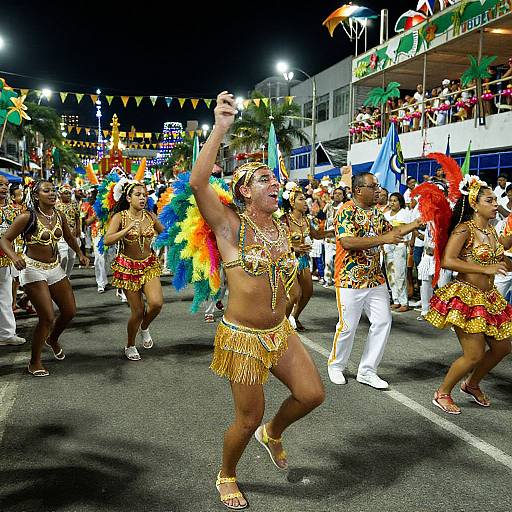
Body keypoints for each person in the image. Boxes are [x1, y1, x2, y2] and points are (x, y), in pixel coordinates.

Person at [190, 91, 324, 510]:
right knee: (247, 417)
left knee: (312, 395)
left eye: (275, 178)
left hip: (279, 332)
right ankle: (226, 474)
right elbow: (197, 182)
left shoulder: (282, 227)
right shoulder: (229, 226)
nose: (276, 183)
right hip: (243, 337)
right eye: (265, 179)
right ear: (245, 191)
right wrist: (221, 127)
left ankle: (274, 432)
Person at [426, 176, 512, 414]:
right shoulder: (464, 229)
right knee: (473, 355)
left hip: (489, 298)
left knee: (502, 348)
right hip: (466, 297)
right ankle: (442, 392)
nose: (496, 204)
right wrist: (485, 268)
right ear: (475, 204)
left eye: (496, 200)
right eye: (490, 200)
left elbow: (501, 254)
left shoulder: (493, 231)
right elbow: (447, 261)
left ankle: (472, 384)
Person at [327, 172, 421, 388]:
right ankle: (336, 365)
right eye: (373, 186)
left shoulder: (377, 214)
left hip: (375, 279)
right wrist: (383, 239)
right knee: (347, 326)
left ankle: (367, 371)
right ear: (359, 190)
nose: (378, 190)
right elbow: (348, 242)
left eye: (378, 186)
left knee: (383, 322)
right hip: (349, 279)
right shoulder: (345, 210)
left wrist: (416, 223)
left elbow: (393, 232)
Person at [0, 180, 88, 376]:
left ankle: (52, 339)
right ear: (36, 195)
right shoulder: (26, 217)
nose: (52, 194)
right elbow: (4, 239)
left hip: (54, 267)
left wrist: (80, 253)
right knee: (47, 316)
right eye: (46, 191)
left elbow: (68, 237)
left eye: (53, 190)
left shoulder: (59, 215)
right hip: (32, 269)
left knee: (69, 311)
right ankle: (34, 362)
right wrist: (14, 257)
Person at [104, 180, 164, 361]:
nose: (142, 198)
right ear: (128, 198)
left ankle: (144, 327)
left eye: (144, 195)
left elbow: (165, 233)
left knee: (156, 303)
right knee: (137, 312)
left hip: (149, 264)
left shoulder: (150, 216)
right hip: (128, 267)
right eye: (138, 195)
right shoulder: (120, 217)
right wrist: (127, 229)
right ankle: (130, 344)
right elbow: (107, 240)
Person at [284, 185, 331, 331]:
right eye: (301, 199)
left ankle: (295, 316)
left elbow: (316, 235)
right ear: (292, 202)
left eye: (305, 199)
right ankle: (282, 324)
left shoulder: (305, 220)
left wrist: (335, 231)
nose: (305, 202)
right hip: (288, 261)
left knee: (308, 292)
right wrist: (294, 248)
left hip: (303, 261)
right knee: (294, 294)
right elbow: (277, 244)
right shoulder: (283, 220)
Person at [0, 176, 26, 346]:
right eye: (0, 184)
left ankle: (7, 334)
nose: (3, 188)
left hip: (6, 259)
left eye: (5, 185)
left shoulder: (15, 210)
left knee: (5, 296)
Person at [383, 193, 411, 312]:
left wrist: (407, 242)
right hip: (387, 246)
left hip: (400, 245)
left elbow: (409, 229)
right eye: (391, 200)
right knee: (390, 273)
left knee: (400, 274)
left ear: (400, 202)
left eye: (395, 201)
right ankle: (396, 300)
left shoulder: (405, 214)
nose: (392, 203)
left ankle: (404, 302)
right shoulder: (385, 215)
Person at [56, 185, 81, 278]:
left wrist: (78, 228)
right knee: (63, 257)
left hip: (73, 235)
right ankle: (61, 277)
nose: (67, 195)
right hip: (61, 235)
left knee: (72, 257)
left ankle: (67, 276)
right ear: (60, 194)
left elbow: (78, 217)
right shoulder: (56, 205)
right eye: (65, 193)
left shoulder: (74, 204)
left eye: (69, 193)